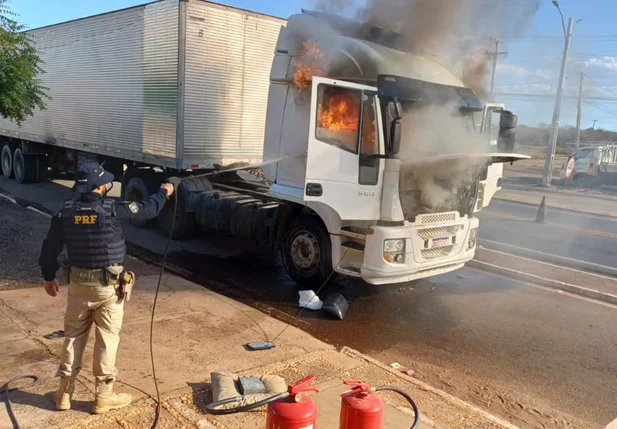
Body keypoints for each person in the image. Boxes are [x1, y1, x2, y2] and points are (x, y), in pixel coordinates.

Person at [38, 163, 175, 414]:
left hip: (78, 287)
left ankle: (63, 395)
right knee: (107, 340)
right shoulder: (113, 209)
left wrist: (49, 277)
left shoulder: (65, 213)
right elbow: (147, 210)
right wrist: (166, 190)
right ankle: (103, 396)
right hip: (108, 289)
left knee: (73, 338)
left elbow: (49, 250)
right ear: (100, 186)